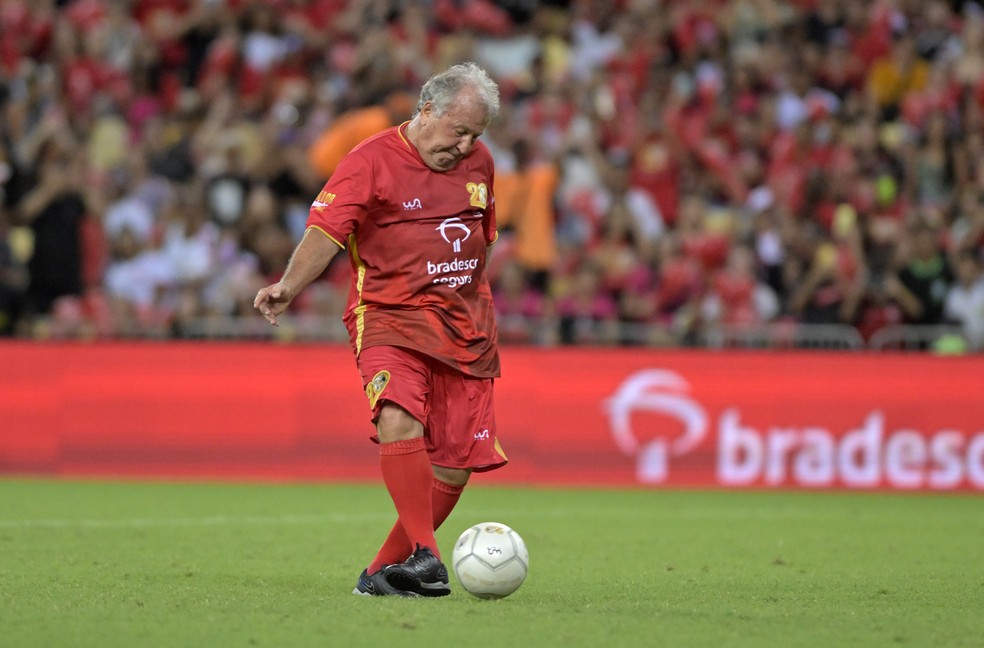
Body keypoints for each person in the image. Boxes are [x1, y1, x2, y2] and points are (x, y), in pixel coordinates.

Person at [254, 62, 506, 598]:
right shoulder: (368, 161)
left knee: (455, 467)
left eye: (475, 136)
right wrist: (289, 285)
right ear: (427, 110)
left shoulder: (482, 164)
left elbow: (481, 238)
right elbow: (326, 230)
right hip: (390, 315)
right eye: (458, 130)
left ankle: (380, 576)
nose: (465, 146)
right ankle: (429, 557)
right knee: (397, 415)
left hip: (466, 325)